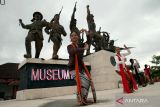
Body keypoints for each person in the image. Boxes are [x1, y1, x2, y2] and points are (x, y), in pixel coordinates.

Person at [67, 31, 95, 105]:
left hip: (81, 69)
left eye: (75, 35)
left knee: (88, 81)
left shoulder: (80, 45)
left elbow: (88, 42)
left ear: (78, 37)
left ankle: (84, 98)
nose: (74, 36)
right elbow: (72, 52)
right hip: (73, 68)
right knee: (81, 82)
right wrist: (84, 49)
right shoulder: (69, 46)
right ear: (70, 38)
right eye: (72, 36)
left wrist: (87, 34)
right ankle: (79, 100)